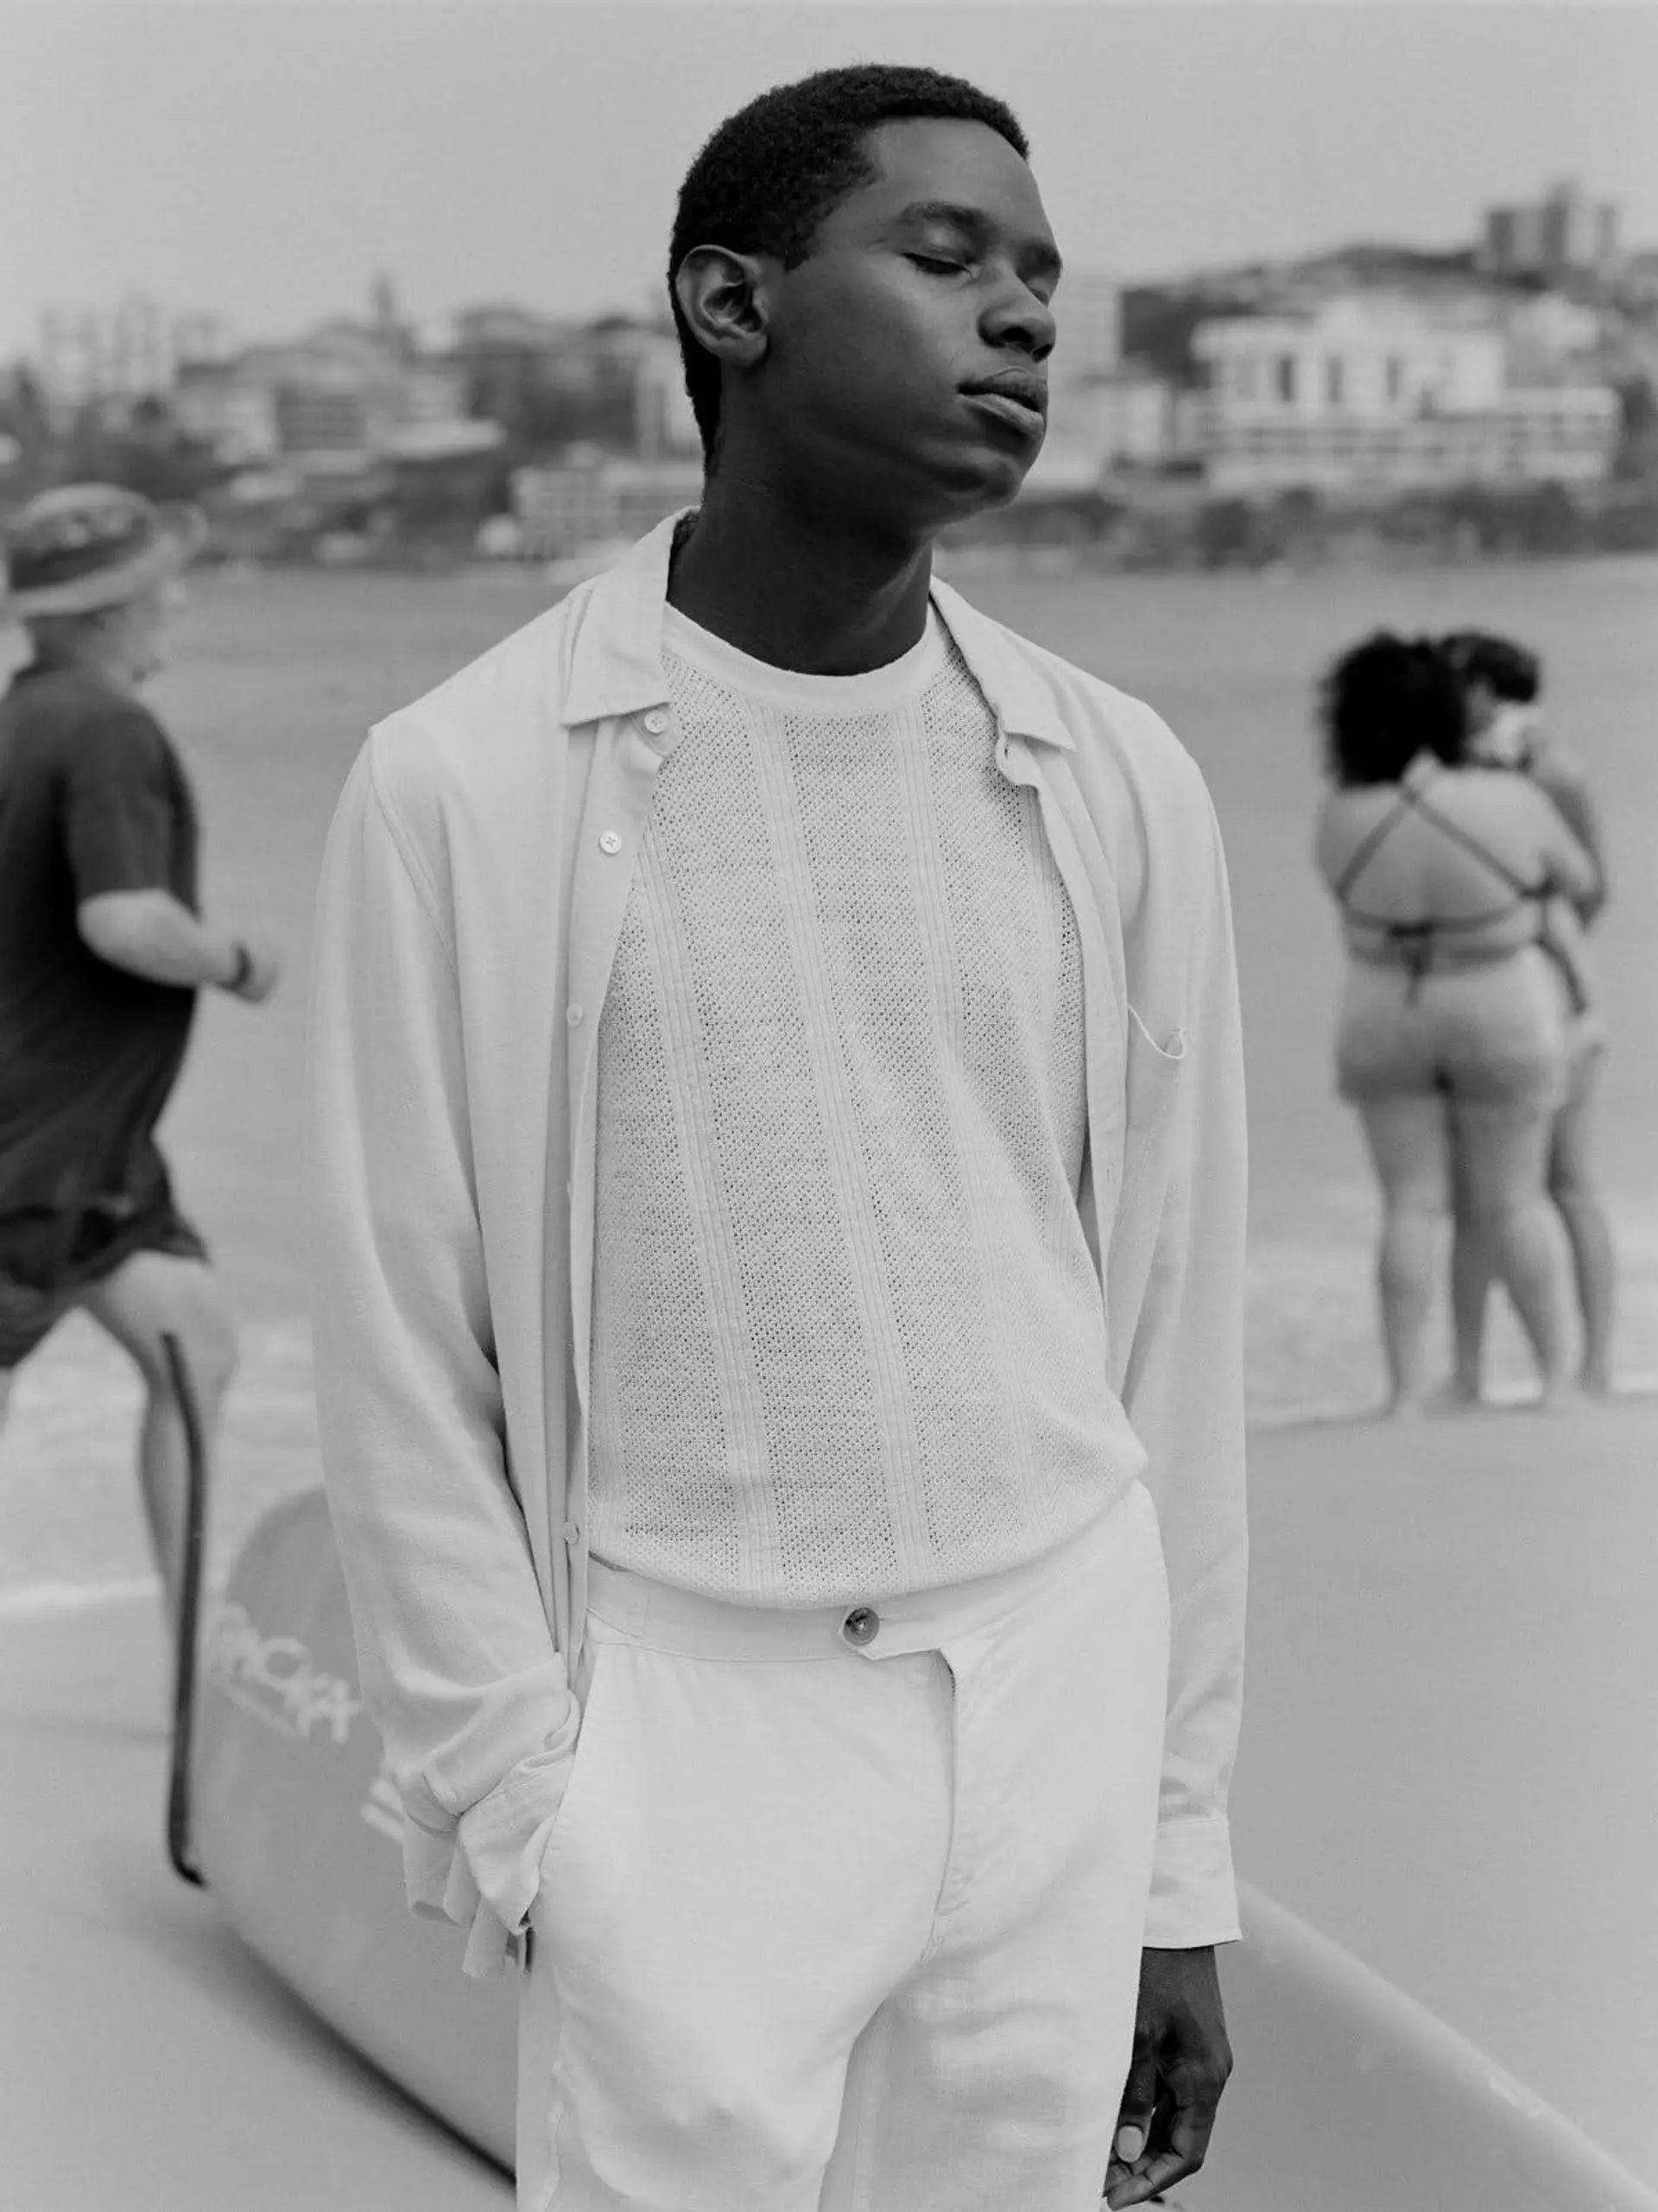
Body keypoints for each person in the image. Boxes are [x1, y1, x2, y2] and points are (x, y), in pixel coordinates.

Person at [309, 65, 1247, 2212]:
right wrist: (528, 1811)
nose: (1021, 319)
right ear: (728, 302)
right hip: (689, 1731)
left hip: (1056, 1694)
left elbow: (1167, 1332)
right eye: (944, 259)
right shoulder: (464, 783)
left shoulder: (1115, 777)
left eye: (1040, 281)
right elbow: (393, 1341)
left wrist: (1176, 1850)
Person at [0, 483, 281, 1618]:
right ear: (115, 605)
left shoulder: (20, 716)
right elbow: (125, 922)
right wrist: (237, 960)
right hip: (34, 1158)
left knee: (193, 1345)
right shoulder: (107, 727)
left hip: (96, 1161)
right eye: (166, 582)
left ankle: (193, 1651)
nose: (180, 604)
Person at [1312, 631, 1599, 1417]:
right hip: (1498, 1003)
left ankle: (1404, 1391)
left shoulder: (1342, 811)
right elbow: (1579, 880)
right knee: (1514, 1202)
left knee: (1409, 1204)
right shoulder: (1507, 799)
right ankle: (1556, 1384)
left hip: (1382, 1005)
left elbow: (1338, 889)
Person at [1440, 629, 1614, 1399]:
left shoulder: (1553, 769)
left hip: (1547, 988)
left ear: (1486, 687)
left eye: (1455, 682)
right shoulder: (1454, 769)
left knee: (1567, 1181)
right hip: (1500, 991)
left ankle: (1595, 1362)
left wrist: (1528, 928)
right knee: (1476, 1193)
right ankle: (1470, 1371)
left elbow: (1592, 887)